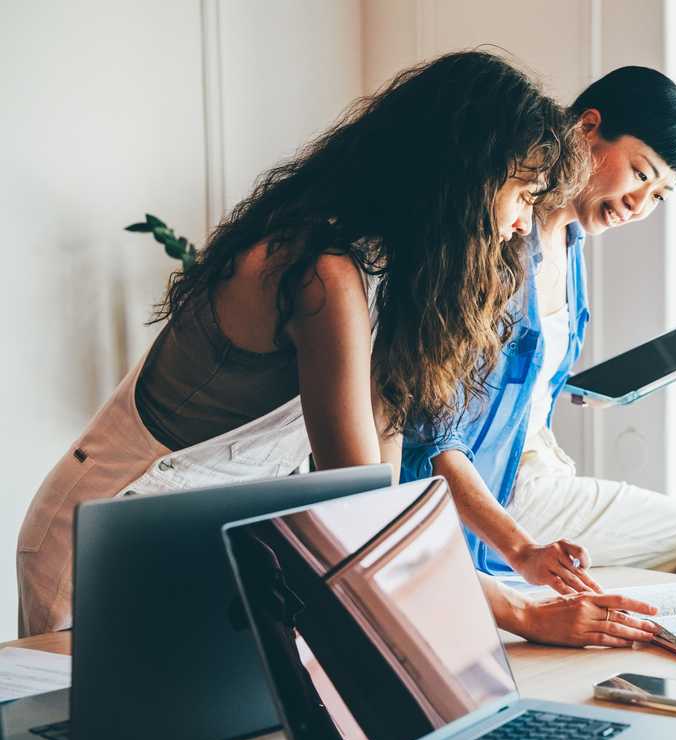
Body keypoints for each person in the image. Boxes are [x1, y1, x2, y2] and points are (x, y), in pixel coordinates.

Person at [17, 50, 601, 636]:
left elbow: (384, 494)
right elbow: (360, 510)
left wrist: (516, 578)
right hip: (105, 537)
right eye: (524, 194)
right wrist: (518, 611)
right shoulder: (322, 273)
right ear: (463, 178)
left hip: (199, 541)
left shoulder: (386, 285)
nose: (525, 225)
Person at [402, 67, 676, 648]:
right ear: (587, 128)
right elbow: (431, 432)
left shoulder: (571, 250)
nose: (640, 204)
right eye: (642, 173)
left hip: (517, 480)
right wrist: (518, 547)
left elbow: (521, 393)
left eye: (660, 195)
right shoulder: (494, 240)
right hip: (475, 495)